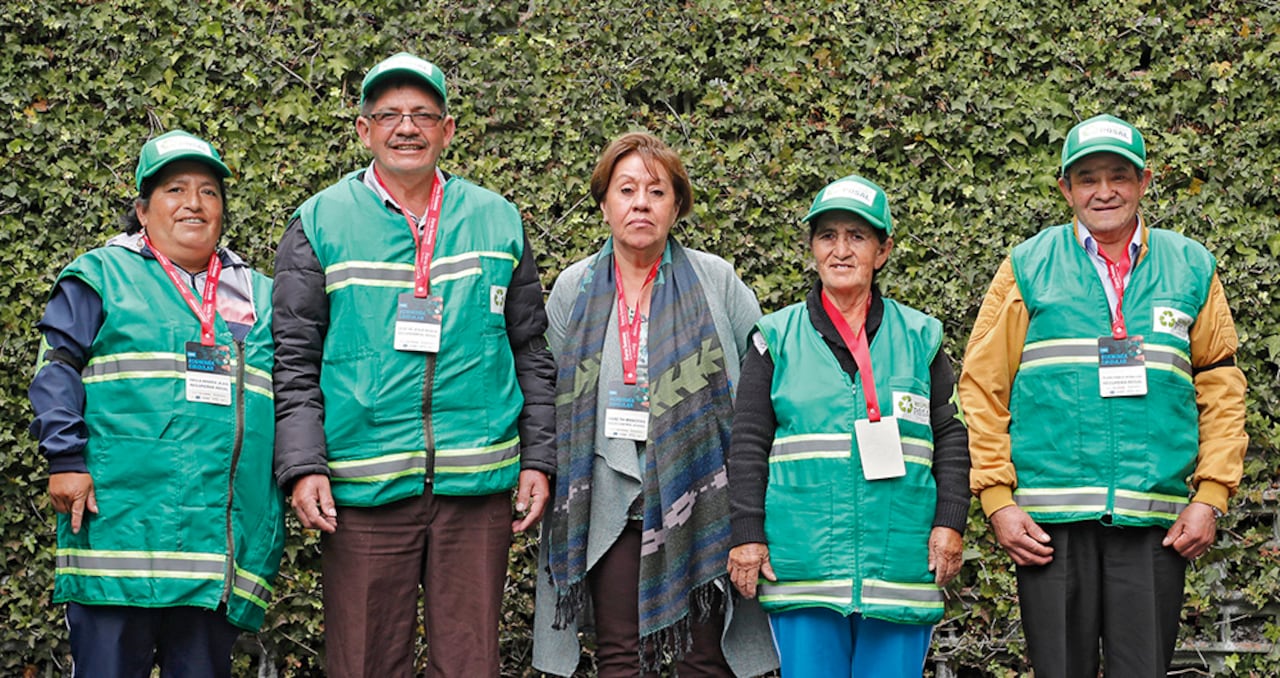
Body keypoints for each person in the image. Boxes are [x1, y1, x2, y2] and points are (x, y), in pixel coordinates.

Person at [271, 52, 556, 676]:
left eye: (423, 114)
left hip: (474, 487)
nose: (407, 127)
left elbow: (530, 348)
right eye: (390, 114)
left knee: (468, 664)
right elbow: (291, 358)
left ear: (447, 130)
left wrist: (538, 458)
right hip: (364, 487)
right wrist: (302, 466)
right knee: (365, 662)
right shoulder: (320, 222)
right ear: (364, 129)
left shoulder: (496, 219)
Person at [959, 113, 1249, 677]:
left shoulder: (1191, 265)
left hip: (1154, 523)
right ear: (1066, 188)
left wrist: (1211, 493)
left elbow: (1221, 384)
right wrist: (998, 500)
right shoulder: (1027, 265)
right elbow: (982, 387)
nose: (1105, 190)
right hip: (1047, 526)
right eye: (1087, 178)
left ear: (1144, 182)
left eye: (1119, 175)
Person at [28, 130, 284, 677]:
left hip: (216, 553)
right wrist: (65, 460)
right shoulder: (100, 275)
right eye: (175, 189)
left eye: (209, 192)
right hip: (119, 535)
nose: (194, 203)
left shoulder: (260, 293)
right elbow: (55, 369)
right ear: (142, 210)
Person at [533, 132, 778, 677]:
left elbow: (761, 388)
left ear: (676, 205)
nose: (640, 202)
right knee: (621, 655)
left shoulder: (717, 280)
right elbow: (548, 394)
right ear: (604, 204)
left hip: (702, 492)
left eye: (656, 191)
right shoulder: (575, 288)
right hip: (608, 497)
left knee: (703, 657)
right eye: (626, 190)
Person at [726, 175, 970, 678]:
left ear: (883, 251)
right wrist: (747, 534)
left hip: (901, 563)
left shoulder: (922, 337)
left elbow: (951, 435)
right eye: (828, 235)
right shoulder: (774, 339)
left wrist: (950, 522)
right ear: (813, 248)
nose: (841, 250)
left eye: (857, 236)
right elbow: (748, 442)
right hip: (803, 568)